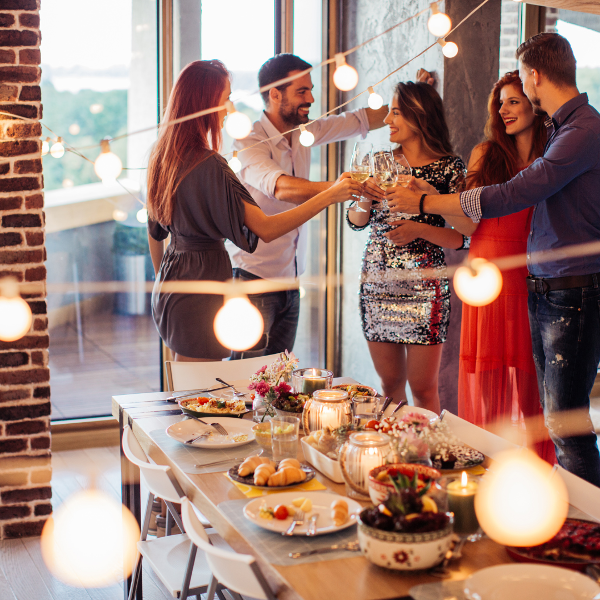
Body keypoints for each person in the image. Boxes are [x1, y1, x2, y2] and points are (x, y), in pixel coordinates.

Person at [387, 33, 600, 485]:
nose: (507, 107)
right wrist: (437, 201)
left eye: (519, 88)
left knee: (563, 423)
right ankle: (518, 494)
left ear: (535, 77)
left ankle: (585, 535)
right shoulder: (562, 130)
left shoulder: (580, 131)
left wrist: (426, 205)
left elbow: (516, 193)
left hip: (570, 289)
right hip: (540, 287)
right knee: (553, 416)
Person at [146, 60, 364, 362]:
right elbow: (266, 228)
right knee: (201, 394)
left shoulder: (162, 158)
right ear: (206, 105)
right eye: (225, 100)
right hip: (204, 287)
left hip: (172, 284)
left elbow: (154, 234)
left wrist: (163, 277)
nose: (228, 110)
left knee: (184, 385)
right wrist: (330, 194)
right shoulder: (210, 165)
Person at [228, 53, 386, 359]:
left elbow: (360, 120)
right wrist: (339, 189)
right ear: (275, 94)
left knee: (278, 377)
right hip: (252, 281)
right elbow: (282, 188)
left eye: (310, 90)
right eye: (302, 91)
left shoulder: (304, 131)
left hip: (291, 280)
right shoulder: (248, 141)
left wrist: (414, 102)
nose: (311, 98)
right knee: (244, 380)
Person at [444, 71, 555, 463]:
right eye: (500, 103)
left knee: (533, 390)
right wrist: (436, 201)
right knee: (488, 386)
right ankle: (485, 470)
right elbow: (467, 223)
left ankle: (540, 475)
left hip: (532, 279)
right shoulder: (485, 154)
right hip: (486, 276)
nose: (504, 110)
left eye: (513, 100)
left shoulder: (553, 155)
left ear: (534, 104)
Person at [348, 81, 466, 414]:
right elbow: (357, 221)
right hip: (378, 285)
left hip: (426, 289)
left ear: (419, 116)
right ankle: (394, 458)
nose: (387, 119)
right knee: (389, 387)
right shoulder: (378, 161)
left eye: (396, 112)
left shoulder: (450, 169)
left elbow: (464, 236)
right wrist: (362, 196)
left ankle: (428, 458)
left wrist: (421, 228)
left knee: (425, 389)